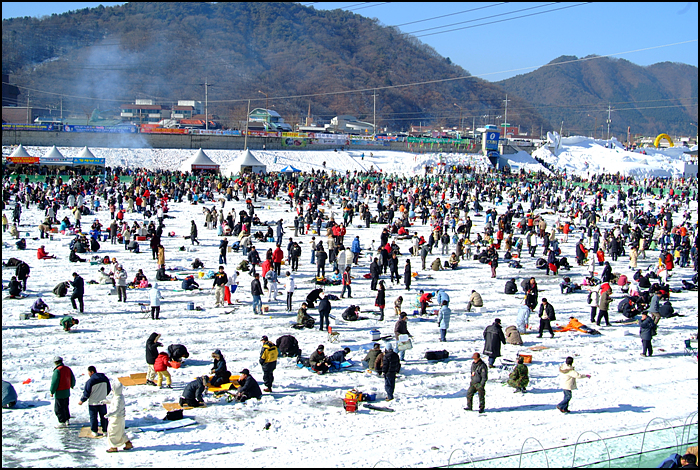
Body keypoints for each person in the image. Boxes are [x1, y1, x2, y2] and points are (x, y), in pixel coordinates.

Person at [78, 366, 111, 437]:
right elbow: (108, 389)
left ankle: (94, 431)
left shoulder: (90, 381)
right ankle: (105, 431)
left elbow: (87, 393)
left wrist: (82, 400)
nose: (88, 374)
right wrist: (104, 395)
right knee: (104, 417)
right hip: (103, 401)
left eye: (89, 372)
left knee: (93, 417)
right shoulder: (105, 379)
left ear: (92, 372)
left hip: (93, 403)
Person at [105, 380, 133, 453]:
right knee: (120, 432)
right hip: (120, 418)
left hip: (116, 418)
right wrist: (106, 401)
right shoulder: (119, 396)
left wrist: (110, 414)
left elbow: (116, 409)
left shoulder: (118, 398)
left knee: (112, 432)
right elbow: (113, 402)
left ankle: (113, 447)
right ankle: (128, 443)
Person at [50, 356, 76, 427]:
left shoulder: (57, 370)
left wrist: (52, 391)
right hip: (67, 392)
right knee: (65, 406)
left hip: (59, 392)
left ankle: (62, 422)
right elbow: (72, 378)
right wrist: (72, 385)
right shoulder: (67, 369)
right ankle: (67, 419)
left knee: (59, 408)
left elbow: (54, 382)